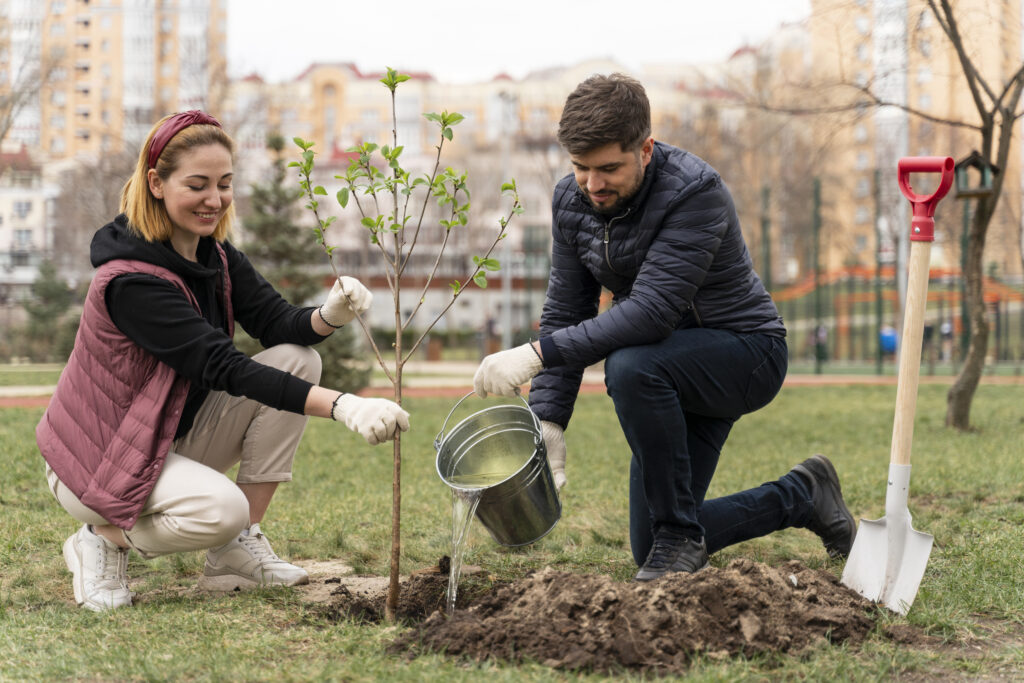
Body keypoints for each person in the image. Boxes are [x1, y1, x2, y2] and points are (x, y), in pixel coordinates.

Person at [473, 74, 855, 581]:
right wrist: (549, 418)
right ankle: (804, 495)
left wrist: (536, 354)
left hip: (744, 354)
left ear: (646, 148)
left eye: (608, 168)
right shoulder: (572, 202)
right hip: (667, 369)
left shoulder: (696, 192)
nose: (593, 184)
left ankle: (680, 533)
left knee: (630, 367)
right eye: (581, 168)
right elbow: (568, 307)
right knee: (649, 544)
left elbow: (652, 310)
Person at [37, 110, 410, 611]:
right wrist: (345, 406)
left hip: (163, 436)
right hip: (98, 459)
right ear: (156, 183)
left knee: (297, 359)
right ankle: (100, 540)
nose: (214, 199)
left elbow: (278, 325)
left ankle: (234, 553)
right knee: (220, 510)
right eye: (197, 185)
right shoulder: (132, 282)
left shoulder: (215, 256)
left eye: (225, 184)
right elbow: (224, 367)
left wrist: (329, 314)